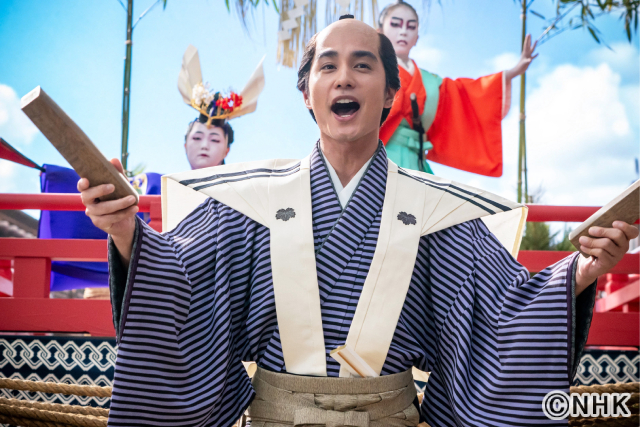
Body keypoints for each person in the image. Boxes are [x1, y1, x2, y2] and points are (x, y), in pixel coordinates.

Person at [78, 17, 637, 427]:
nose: (344, 78)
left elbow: (506, 309)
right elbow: (182, 283)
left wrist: (582, 272)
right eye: (328, 66)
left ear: (391, 94)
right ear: (307, 97)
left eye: (363, 65)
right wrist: (127, 233)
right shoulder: (249, 201)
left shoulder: (439, 213)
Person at [378, 0, 536, 175]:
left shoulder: (431, 82)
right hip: (379, 158)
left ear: (417, 37)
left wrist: (513, 72)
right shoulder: (372, 72)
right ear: (380, 31)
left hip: (416, 163)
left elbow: (469, 94)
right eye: (395, 24)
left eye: (411, 26)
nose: (403, 32)